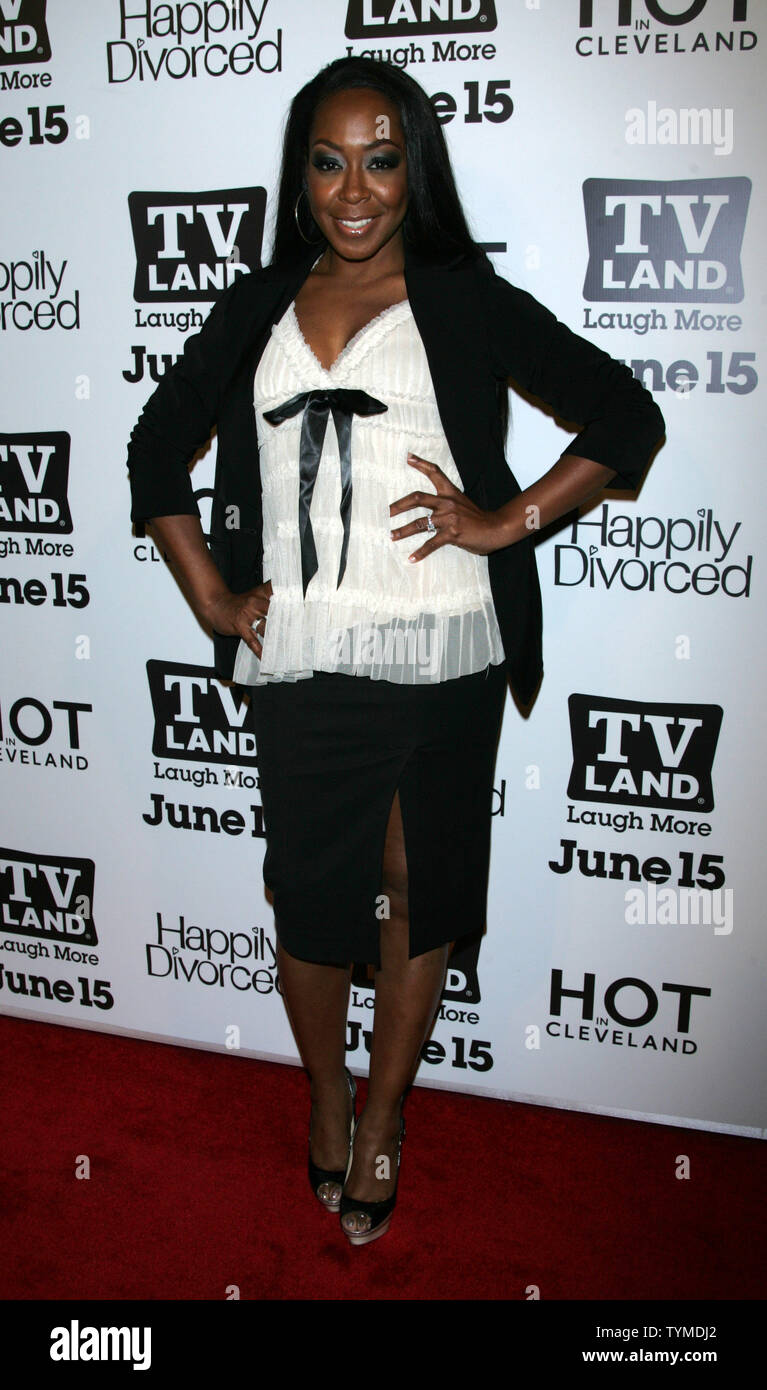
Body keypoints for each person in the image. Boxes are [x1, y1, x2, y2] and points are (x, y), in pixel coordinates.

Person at [126, 56, 665, 1247]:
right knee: (312, 898)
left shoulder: (461, 296)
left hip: (444, 645)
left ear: (413, 165)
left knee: (417, 891)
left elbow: (625, 416)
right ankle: (325, 1096)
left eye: (381, 157)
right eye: (328, 161)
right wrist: (213, 598)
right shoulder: (257, 304)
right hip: (304, 646)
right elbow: (153, 450)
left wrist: (502, 518)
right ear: (299, 174)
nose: (355, 188)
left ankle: (383, 1115)